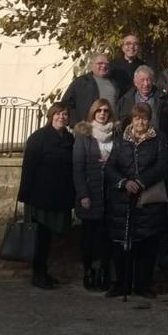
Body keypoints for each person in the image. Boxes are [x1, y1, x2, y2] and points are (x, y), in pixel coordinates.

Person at [104, 102, 168, 299]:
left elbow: (162, 165)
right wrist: (124, 182)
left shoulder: (159, 139)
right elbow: (109, 167)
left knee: (146, 244)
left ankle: (143, 285)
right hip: (123, 200)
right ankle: (120, 283)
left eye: (143, 118)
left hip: (148, 198)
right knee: (120, 244)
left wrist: (141, 182)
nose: (140, 122)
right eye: (136, 118)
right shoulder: (121, 139)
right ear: (131, 120)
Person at [18, 102, 74, 289]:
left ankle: (45, 272)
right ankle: (38, 274)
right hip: (40, 196)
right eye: (58, 114)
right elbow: (29, 168)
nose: (62, 117)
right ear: (51, 116)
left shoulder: (69, 138)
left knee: (52, 239)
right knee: (40, 237)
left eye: (65, 114)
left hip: (60, 196)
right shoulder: (38, 138)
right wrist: (24, 195)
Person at [73, 98, 119, 290]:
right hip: (91, 193)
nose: (102, 113)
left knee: (107, 236)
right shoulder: (84, 136)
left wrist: (111, 161)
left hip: (110, 194)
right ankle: (88, 271)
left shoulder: (116, 135)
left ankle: (104, 272)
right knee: (89, 237)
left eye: (106, 111)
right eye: (99, 110)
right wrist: (83, 194)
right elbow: (78, 168)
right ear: (93, 113)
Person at [62, 53, 120, 125]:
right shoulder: (81, 82)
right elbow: (65, 104)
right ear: (92, 65)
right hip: (87, 129)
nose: (104, 66)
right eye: (100, 63)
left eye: (106, 64)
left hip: (109, 129)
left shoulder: (115, 84)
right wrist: (76, 123)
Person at [117, 65, 168, 140]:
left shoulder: (163, 99)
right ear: (135, 82)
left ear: (152, 81)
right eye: (142, 80)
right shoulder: (125, 100)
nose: (146, 84)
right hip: (132, 143)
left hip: (156, 142)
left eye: (148, 80)